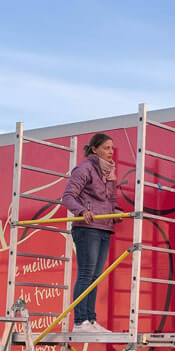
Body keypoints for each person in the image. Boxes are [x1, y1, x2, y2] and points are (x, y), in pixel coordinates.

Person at [62, 133, 119, 334]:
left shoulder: (109, 172)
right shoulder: (85, 168)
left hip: (104, 227)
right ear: (94, 149)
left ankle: (90, 320)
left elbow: (111, 200)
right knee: (86, 273)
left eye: (112, 148)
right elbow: (68, 197)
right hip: (87, 228)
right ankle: (80, 322)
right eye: (106, 148)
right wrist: (82, 211)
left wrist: (116, 212)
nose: (110, 152)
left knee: (95, 276)